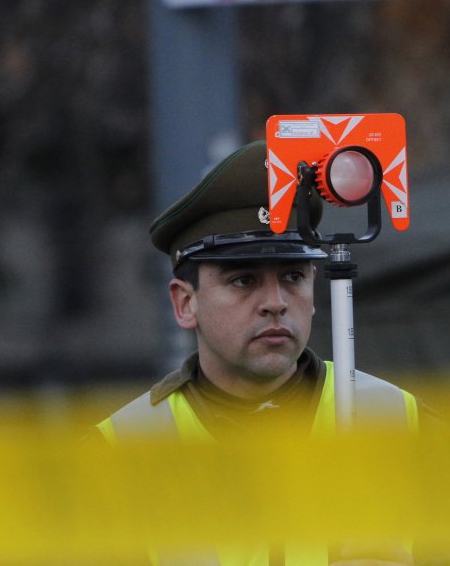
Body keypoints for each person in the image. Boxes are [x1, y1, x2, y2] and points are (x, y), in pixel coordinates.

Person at [95, 140, 421, 565]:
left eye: (292, 276)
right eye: (243, 280)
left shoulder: (397, 421)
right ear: (184, 303)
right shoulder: (122, 450)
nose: (275, 301)